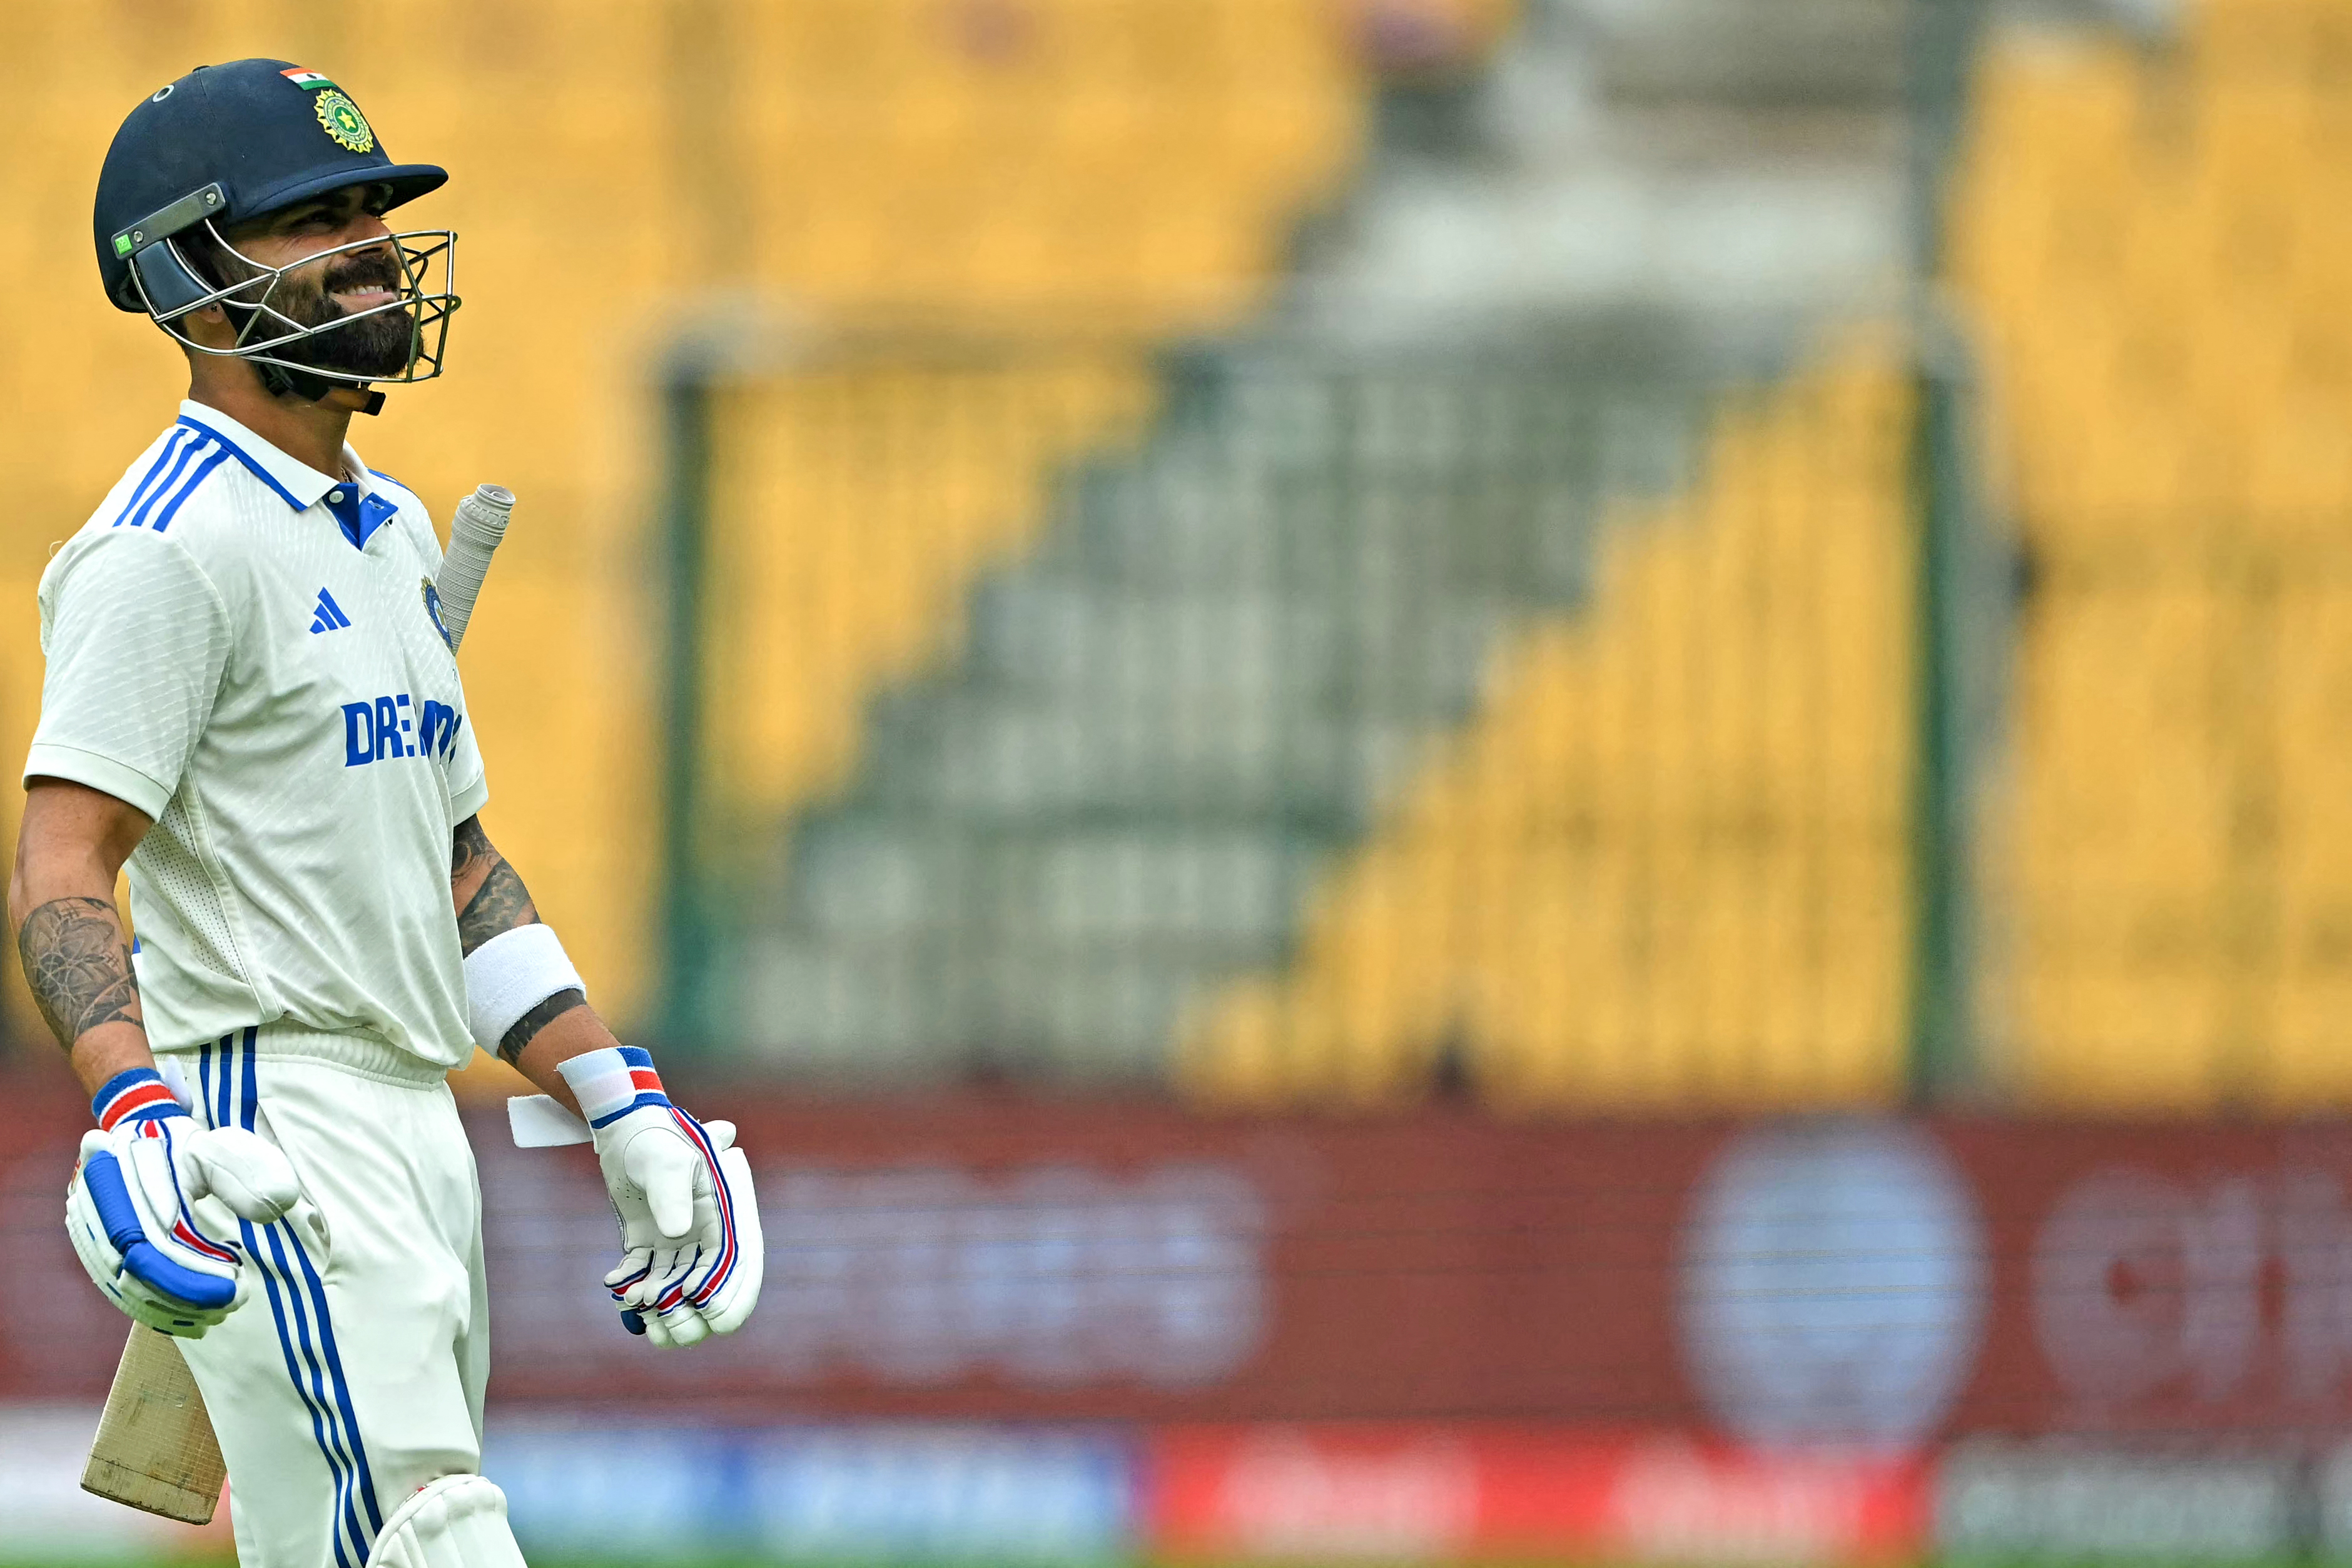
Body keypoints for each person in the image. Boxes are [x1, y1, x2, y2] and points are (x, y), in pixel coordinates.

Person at [11, 59, 762, 1568]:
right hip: (269, 1129)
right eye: (309, 221)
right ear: (188, 283)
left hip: (420, 1127)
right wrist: (134, 1105)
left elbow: (458, 866)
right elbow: (63, 864)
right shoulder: (164, 548)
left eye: (369, 210)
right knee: (428, 1545)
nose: (366, 246)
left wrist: (612, 1094)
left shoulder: (390, 527)